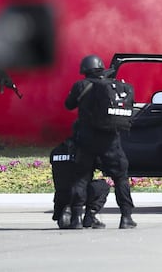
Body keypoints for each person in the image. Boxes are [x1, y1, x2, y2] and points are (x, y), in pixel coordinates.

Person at [64, 54, 137, 229]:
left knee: (81, 178)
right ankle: (126, 217)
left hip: (86, 139)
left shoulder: (81, 86)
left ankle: (76, 219)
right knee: (120, 178)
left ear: (84, 70)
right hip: (110, 140)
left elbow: (69, 105)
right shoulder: (113, 86)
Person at [50, 136, 109, 229]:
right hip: (79, 194)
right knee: (103, 186)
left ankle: (67, 209)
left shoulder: (55, 151)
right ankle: (90, 217)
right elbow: (103, 166)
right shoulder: (85, 151)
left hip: (60, 196)